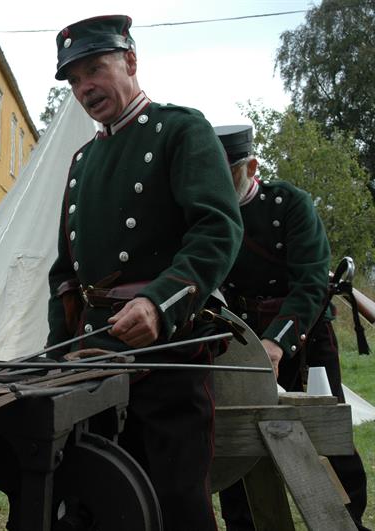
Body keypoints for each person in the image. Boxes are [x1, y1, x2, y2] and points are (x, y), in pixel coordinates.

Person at [46, 15, 243, 530]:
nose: (85, 87)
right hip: (92, 361)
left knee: (174, 504)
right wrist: (55, 355)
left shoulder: (182, 129)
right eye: (74, 79)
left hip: (168, 355)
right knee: (96, 500)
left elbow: (218, 230)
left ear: (130, 61)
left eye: (95, 68)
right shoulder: (83, 161)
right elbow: (66, 276)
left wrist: (160, 303)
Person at [215, 125, 370, 531]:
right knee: (236, 441)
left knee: (329, 437)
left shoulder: (290, 204)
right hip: (241, 341)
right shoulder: (205, 216)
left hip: (305, 334)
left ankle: (346, 520)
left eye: (226, 172)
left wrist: (278, 341)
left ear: (250, 166)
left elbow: (312, 283)